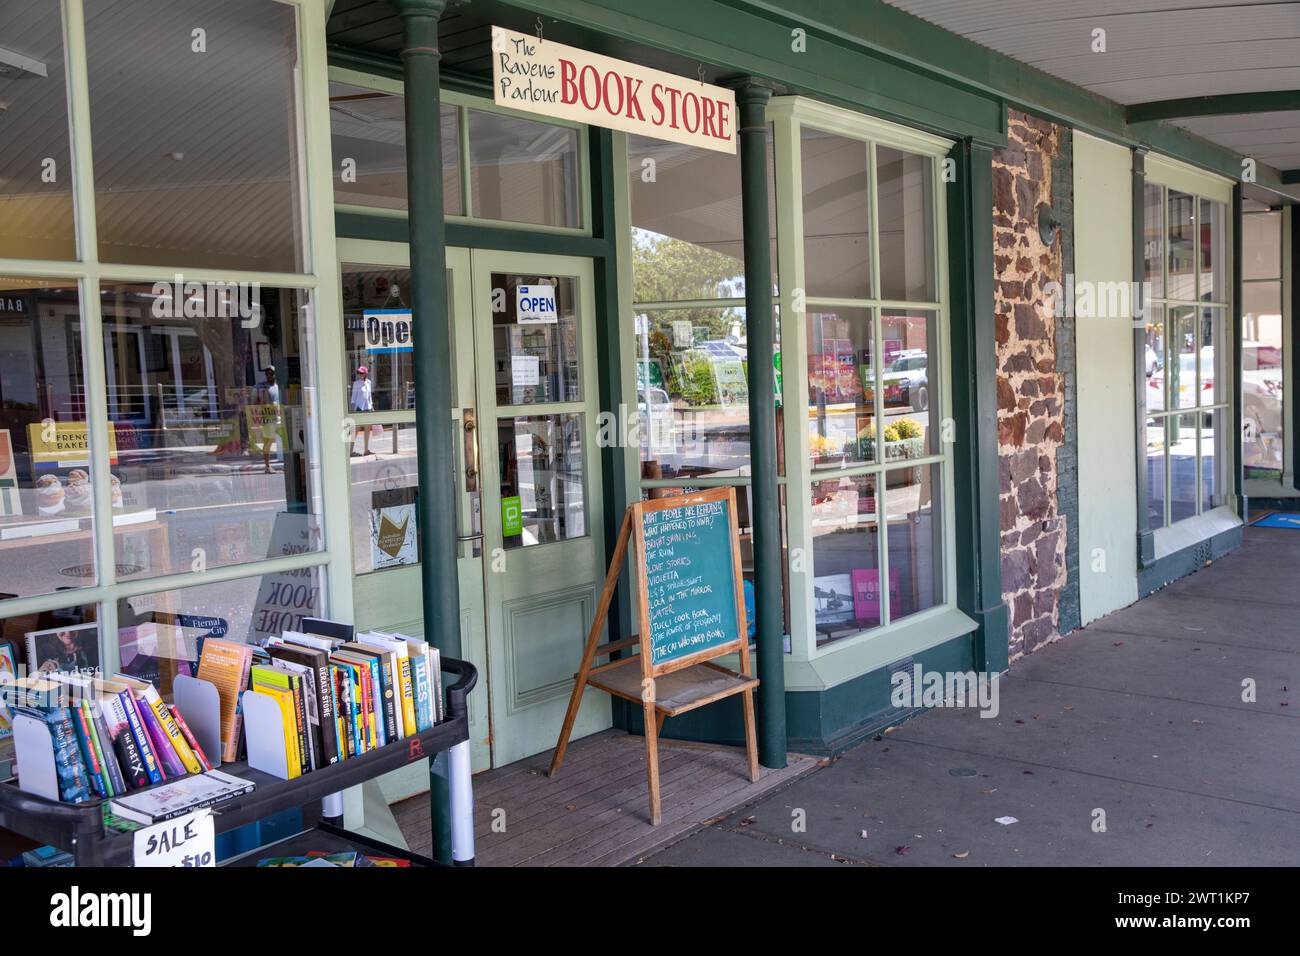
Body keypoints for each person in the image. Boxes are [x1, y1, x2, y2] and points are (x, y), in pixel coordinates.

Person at [253, 364, 282, 474]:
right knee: (268, 441)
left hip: (279, 416)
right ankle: (267, 466)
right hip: (268, 417)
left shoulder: (279, 386)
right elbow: (254, 403)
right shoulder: (261, 387)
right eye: (267, 374)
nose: (269, 375)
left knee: (283, 440)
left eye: (271, 373)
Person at [350, 364, 374, 457]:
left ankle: (366, 450)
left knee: (367, 429)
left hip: (368, 407)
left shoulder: (369, 382)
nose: (359, 374)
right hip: (359, 408)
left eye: (361, 373)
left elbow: (369, 396)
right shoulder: (356, 383)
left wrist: (372, 407)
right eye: (358, 372)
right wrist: (353, 410)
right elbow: (353, 398)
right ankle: (350, 451)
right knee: (355, 430)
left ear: (365, 374)